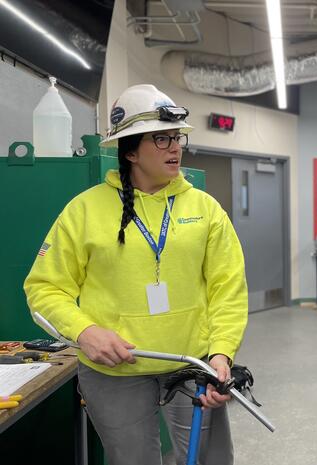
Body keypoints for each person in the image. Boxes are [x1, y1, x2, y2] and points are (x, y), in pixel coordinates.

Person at [24, 84, 248, 465]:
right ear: (130, 150)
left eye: (177, 138)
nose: (176, 148)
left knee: (213, 460)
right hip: (115, 372)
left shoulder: (206, 210)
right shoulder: (85, 211)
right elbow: (45, 289)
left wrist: (221, 353)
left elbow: (228, 290)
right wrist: (84, 331)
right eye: (161, 139)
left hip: (191, 366)